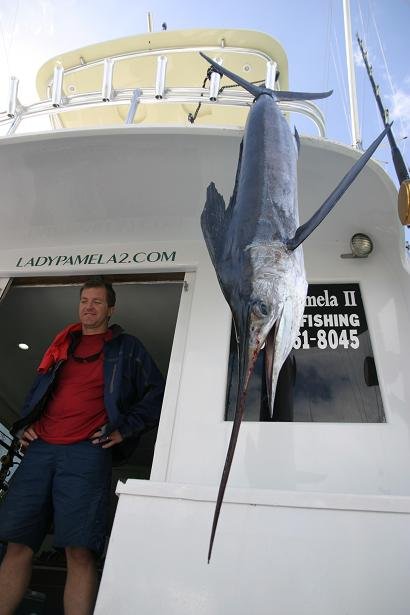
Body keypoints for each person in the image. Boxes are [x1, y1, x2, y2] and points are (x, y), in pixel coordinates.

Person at [0, 278, 165, 615]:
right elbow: (38, 392)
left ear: (111, 309)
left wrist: (125, 429)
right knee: (17, 544)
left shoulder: (126, 348)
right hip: (41, 449)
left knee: (79, 550)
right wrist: (24, 426)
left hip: (86, 453)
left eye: (97, 302)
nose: (89, 307)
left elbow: (157, 394)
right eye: (84, 300)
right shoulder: (62, 345)